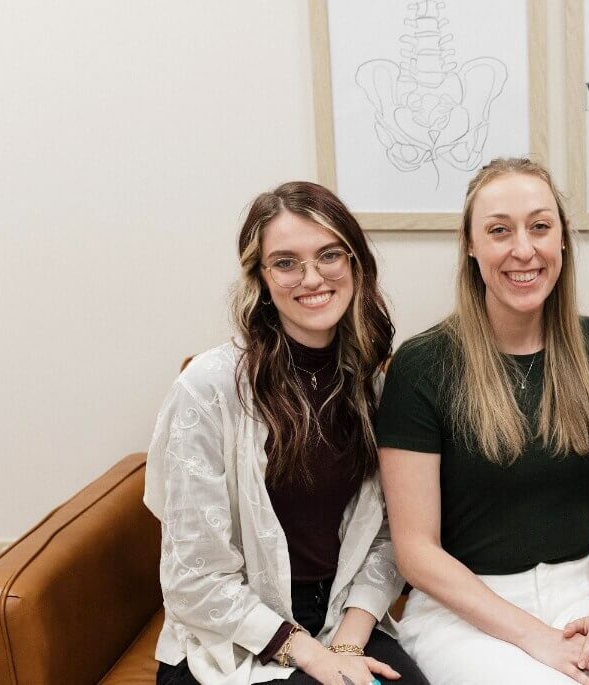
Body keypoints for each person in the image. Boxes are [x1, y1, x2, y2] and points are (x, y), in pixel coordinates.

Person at [375, 158, 589, 684]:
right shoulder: (422, 366)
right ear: (470, 244)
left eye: (540, 226)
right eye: (499, 230)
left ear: (562, 240)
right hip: (464, 609)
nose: (523, 250)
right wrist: (537, 639)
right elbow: (415, 552)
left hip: (585, 594)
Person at [145, 182, 428, 685]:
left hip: (341, 616)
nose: (311, 277)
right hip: (231, 635)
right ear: (260, 277)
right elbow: (196, 578)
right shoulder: (207, 389)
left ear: (355, 264)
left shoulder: (377, 384)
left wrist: (346, 643)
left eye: (328, 255)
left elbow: (390, 534)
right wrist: (315, 658)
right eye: (286, 262)